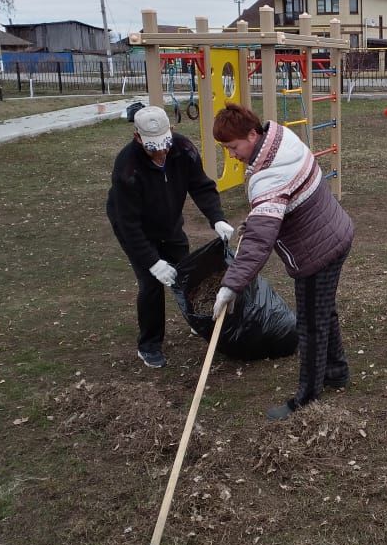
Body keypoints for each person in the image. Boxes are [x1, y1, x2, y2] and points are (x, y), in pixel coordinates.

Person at [210, 103, 354, 420]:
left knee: (311, 324)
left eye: (233, 147)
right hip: (334, 232)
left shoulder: (269, 176)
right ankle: (336, 371)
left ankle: (307, 397)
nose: (232, 154)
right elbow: (274, 211)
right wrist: (259, 218)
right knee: (323, 311)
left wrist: (231, 285)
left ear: (252, 134)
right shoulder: (281, 139)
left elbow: (261, 241)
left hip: (318, 251)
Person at [106, 105, 234, 368]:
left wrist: (217, 217)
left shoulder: (184, 150)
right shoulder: (127, 168)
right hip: (136, 228)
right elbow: (128, 225)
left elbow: (201, 185)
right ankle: (149, 344)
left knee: (187, 271)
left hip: (170, 223)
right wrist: (153, 262)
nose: (160, 152)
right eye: (152, 147)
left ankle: (197, 322)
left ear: (171, 132)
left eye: (164, 145)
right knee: (151, 285)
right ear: (138, 138)